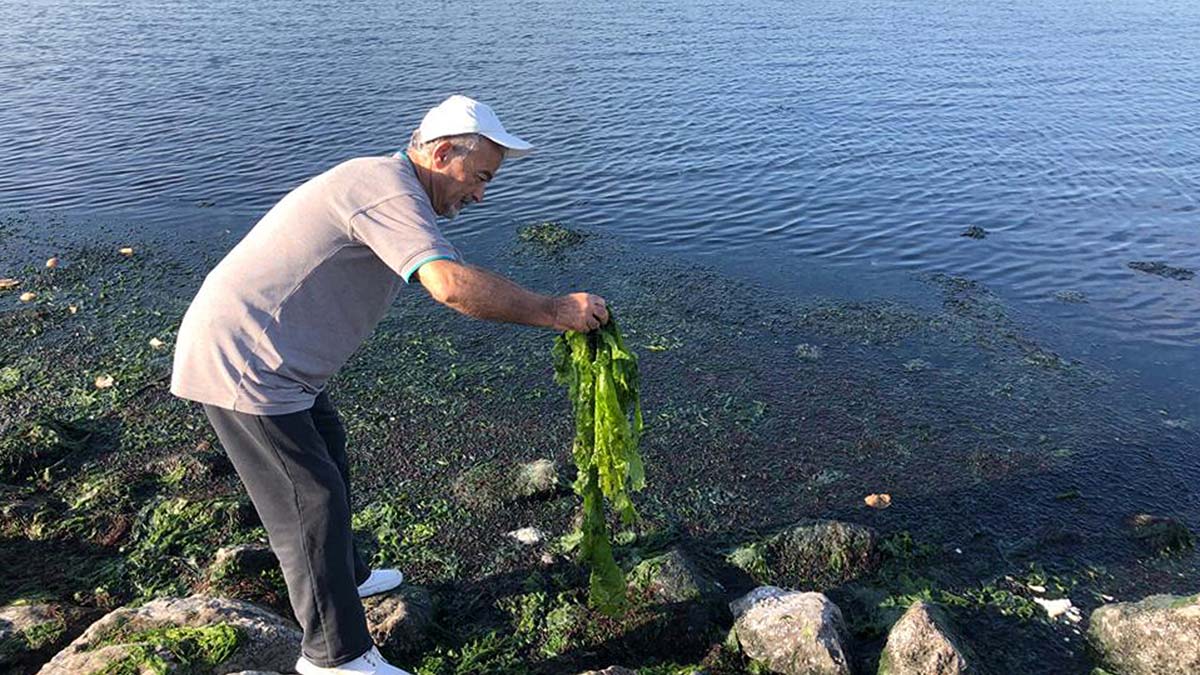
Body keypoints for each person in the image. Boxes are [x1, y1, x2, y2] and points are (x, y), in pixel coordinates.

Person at [170, 94, 608, 675]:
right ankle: (335, 657)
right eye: (479, 177)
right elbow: (448, 285)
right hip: (245, 366)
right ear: (443, 150)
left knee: (331, 455)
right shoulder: (386, 188)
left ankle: (346, 577)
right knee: (311, 501)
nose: (480, 194)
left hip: (281, 365)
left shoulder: (391, 187)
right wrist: (555, 310)